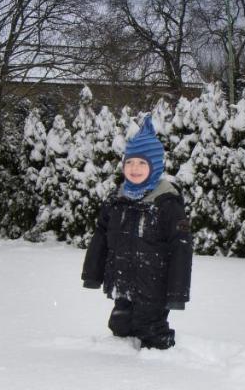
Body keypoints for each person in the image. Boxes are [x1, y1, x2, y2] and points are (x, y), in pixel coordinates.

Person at [82, 115, 192, 349]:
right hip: (121, 281)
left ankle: (160, 367)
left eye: (142, 164)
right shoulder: (117, 200)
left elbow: (181, 247)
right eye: (130, 163)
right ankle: (120, 363)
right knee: (119, 326)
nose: (135, 169)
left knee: (150, 331)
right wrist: (92, 274)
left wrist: (177, 292)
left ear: (155, 167)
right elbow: (101, 236)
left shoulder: (167, 203)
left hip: (154, 286)